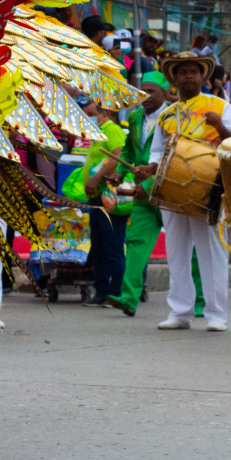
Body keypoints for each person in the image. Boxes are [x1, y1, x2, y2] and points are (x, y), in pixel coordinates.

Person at [134, 52, 231, 332]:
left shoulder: (219, 106)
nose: (189, 76)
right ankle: (180, 312)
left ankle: (217, 315)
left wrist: (220, 126)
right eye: (183, 72)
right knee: (176, 251)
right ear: (175, 79)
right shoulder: (166, 114)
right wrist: (151, 166)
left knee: (211, 252)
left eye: (194, 71)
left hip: (210, 189)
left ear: (203, 76)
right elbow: (157, 149)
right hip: (171, 187)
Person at [105, 72, 170, 316]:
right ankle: (129, 298)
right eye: (143, 91)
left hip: (168, 191)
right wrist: (121, 173)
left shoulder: (173, 117)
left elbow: (175, 156)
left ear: (165, 93)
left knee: (186, 247)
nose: (146, 96)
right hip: (142, 193)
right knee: (134, 242)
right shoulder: (134, 117)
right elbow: (130, 152)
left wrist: (151, 181)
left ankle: (199, 302)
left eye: (152, 91)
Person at [63, 99, 128, 307]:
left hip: (108, 198)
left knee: (113, 246)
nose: (88, 118)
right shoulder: (98, 133)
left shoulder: (112, 130)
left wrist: (97, 177)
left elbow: (118, 156)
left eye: (91, 113)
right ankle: (101, 292)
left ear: (104, 114)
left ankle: (115, 292)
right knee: (99, 247)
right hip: (95, 198)